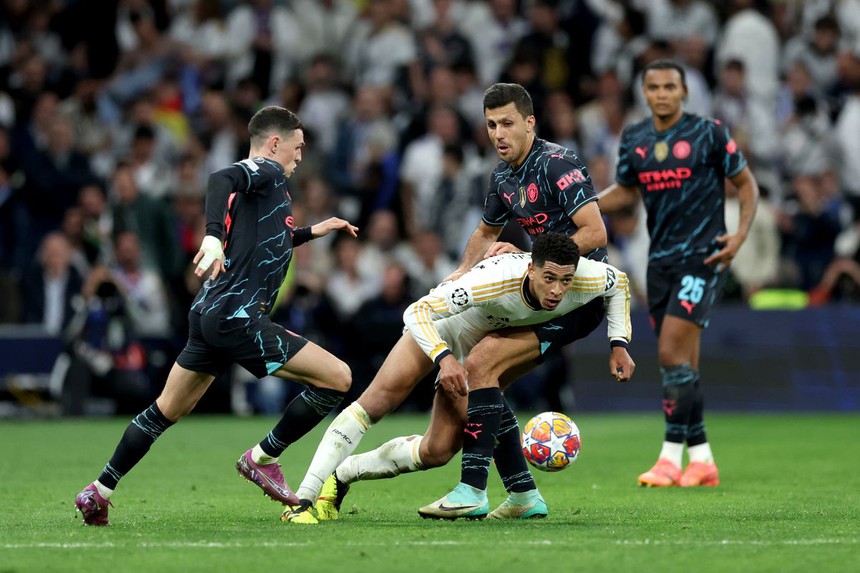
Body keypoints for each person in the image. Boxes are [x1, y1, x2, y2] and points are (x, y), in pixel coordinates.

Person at [74, 106, 359, 526]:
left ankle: (98, 490)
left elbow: (261, 240)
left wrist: (312, 232)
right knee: (338, 378)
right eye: (297, 149)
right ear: (275, 143)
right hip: (239, 317)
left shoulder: (264, 189)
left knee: (163, 411)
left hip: (209, 312)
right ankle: (263, 457)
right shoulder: (267, 170)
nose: (300, 158)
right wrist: (211, 235)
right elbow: (218, 178)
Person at [282, 232, 633, 524]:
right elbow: (416, 310)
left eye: (565, 281)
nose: (557, 290)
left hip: (474, 346)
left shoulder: (586, 277)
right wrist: (444, 357)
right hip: (441, 328)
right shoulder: (492, 282)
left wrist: (618, 344)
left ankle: (343, 473)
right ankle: (304, 499)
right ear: (530, 270)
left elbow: (619, 283)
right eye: (549, 279)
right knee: (375, 402)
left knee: (437, 451)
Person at [598, 60, 759, 487]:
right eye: (654, 87)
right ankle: (703, 459)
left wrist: (740, 235)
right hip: (660, 260)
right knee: (683, 364)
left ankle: (670, 458)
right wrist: (587, 203)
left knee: (670, 352)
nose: (662, 93)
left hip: (704, 258)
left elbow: (746, 184)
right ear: (644, 93)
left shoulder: (709, 132)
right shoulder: (635, 138)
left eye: (670, 86)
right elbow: (628, 191)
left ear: (684, 91)